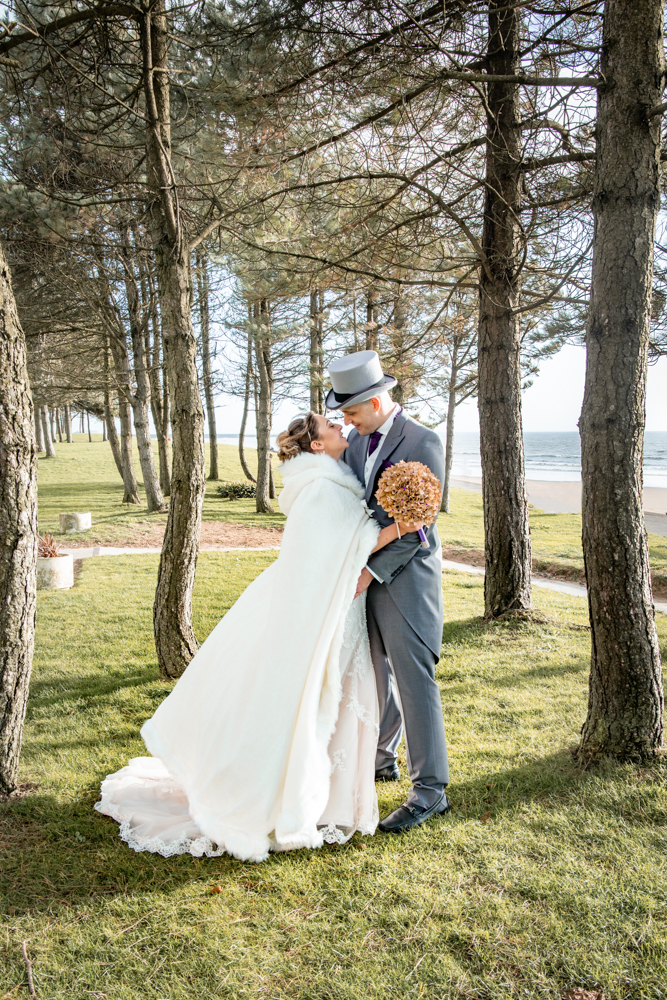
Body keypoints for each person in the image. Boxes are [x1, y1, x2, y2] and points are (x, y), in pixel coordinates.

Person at [95, 412, 423, 862]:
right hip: (324, 608)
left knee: (339, 698)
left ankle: (331, 795)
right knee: (318, 699)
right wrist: (406, 524)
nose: (340, 427)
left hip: (337, 607)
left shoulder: (328, 482)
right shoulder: (324, 490)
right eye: (331, 426)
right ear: (316, 446)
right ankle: (296, 798)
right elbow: (350, 546)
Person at [326, 350, 451, 833]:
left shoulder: (422, 439)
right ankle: (381, 757)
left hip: (406, 581)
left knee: (415, 681)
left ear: (376, 401)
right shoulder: (358, 443)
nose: (347, 420)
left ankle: (430, 791)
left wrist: (371, 573)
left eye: (352, 411)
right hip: (363, 579)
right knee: (376, 675)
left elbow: (420, 522)